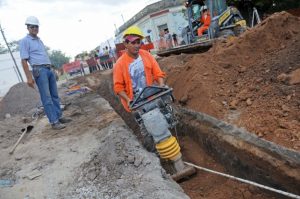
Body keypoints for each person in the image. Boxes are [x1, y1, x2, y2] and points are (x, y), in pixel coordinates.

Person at [113, 25, 166, 151]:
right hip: (135, 102)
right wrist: (128, 99)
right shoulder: (120, 64)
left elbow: (158, 73)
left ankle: (166, 140)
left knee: (164, 118)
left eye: (139, 42)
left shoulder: (146, 56)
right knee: (146, 129)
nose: (137, 45)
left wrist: (161, 84)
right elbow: (118, 87)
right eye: (133, 43)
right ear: (125, 44)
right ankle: (154, 151)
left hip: (150, 96)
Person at [19, 16, 71, 130]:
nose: (35, 28)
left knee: (54, 96)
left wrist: (52, 69)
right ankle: (54, 122)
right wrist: (29, 78)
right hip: (39, 71)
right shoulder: (25, 41)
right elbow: (23, 60)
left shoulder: (39, 40)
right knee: (46, 98)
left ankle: (58, 116)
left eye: (36, 26)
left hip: (48, 69)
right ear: (27, 27)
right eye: (32, 26)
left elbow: (44, 56)